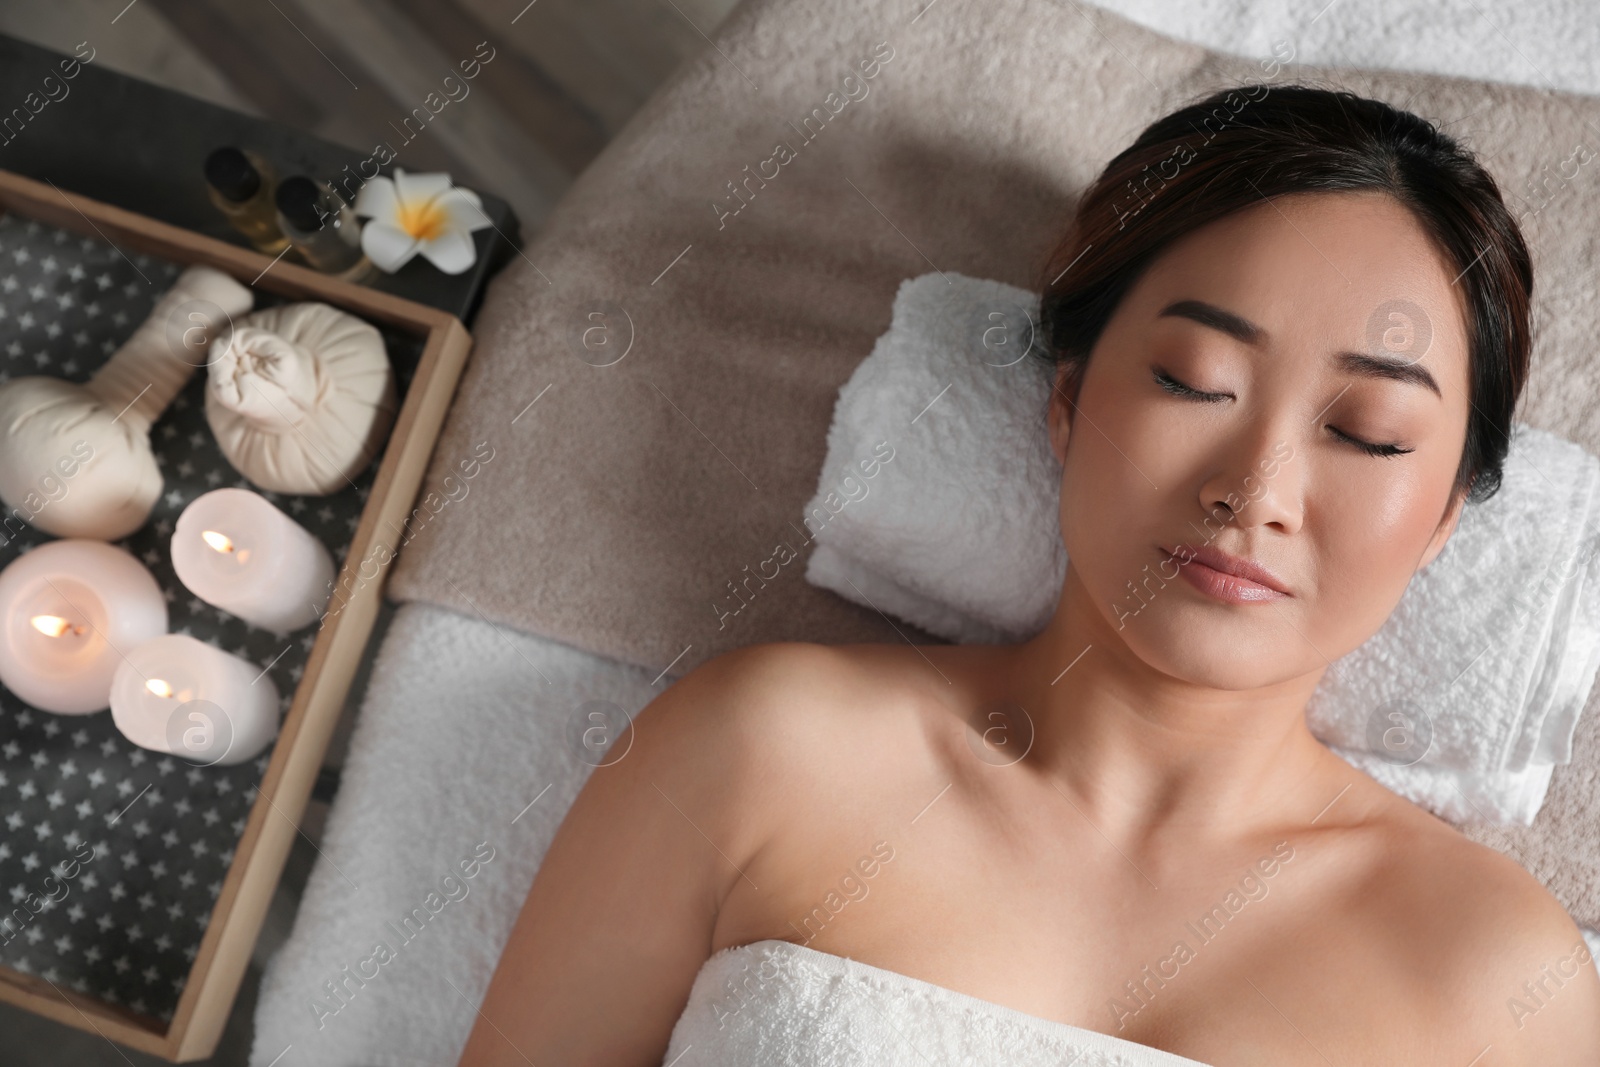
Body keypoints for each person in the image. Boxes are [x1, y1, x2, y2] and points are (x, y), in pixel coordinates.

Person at [456, 83, 1600, 1065]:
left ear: (1444, 515)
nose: (1256, 489)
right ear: (1065, 401)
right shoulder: (761, 749)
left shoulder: (1495, 977)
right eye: (1197, 379)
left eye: (1367, 431)